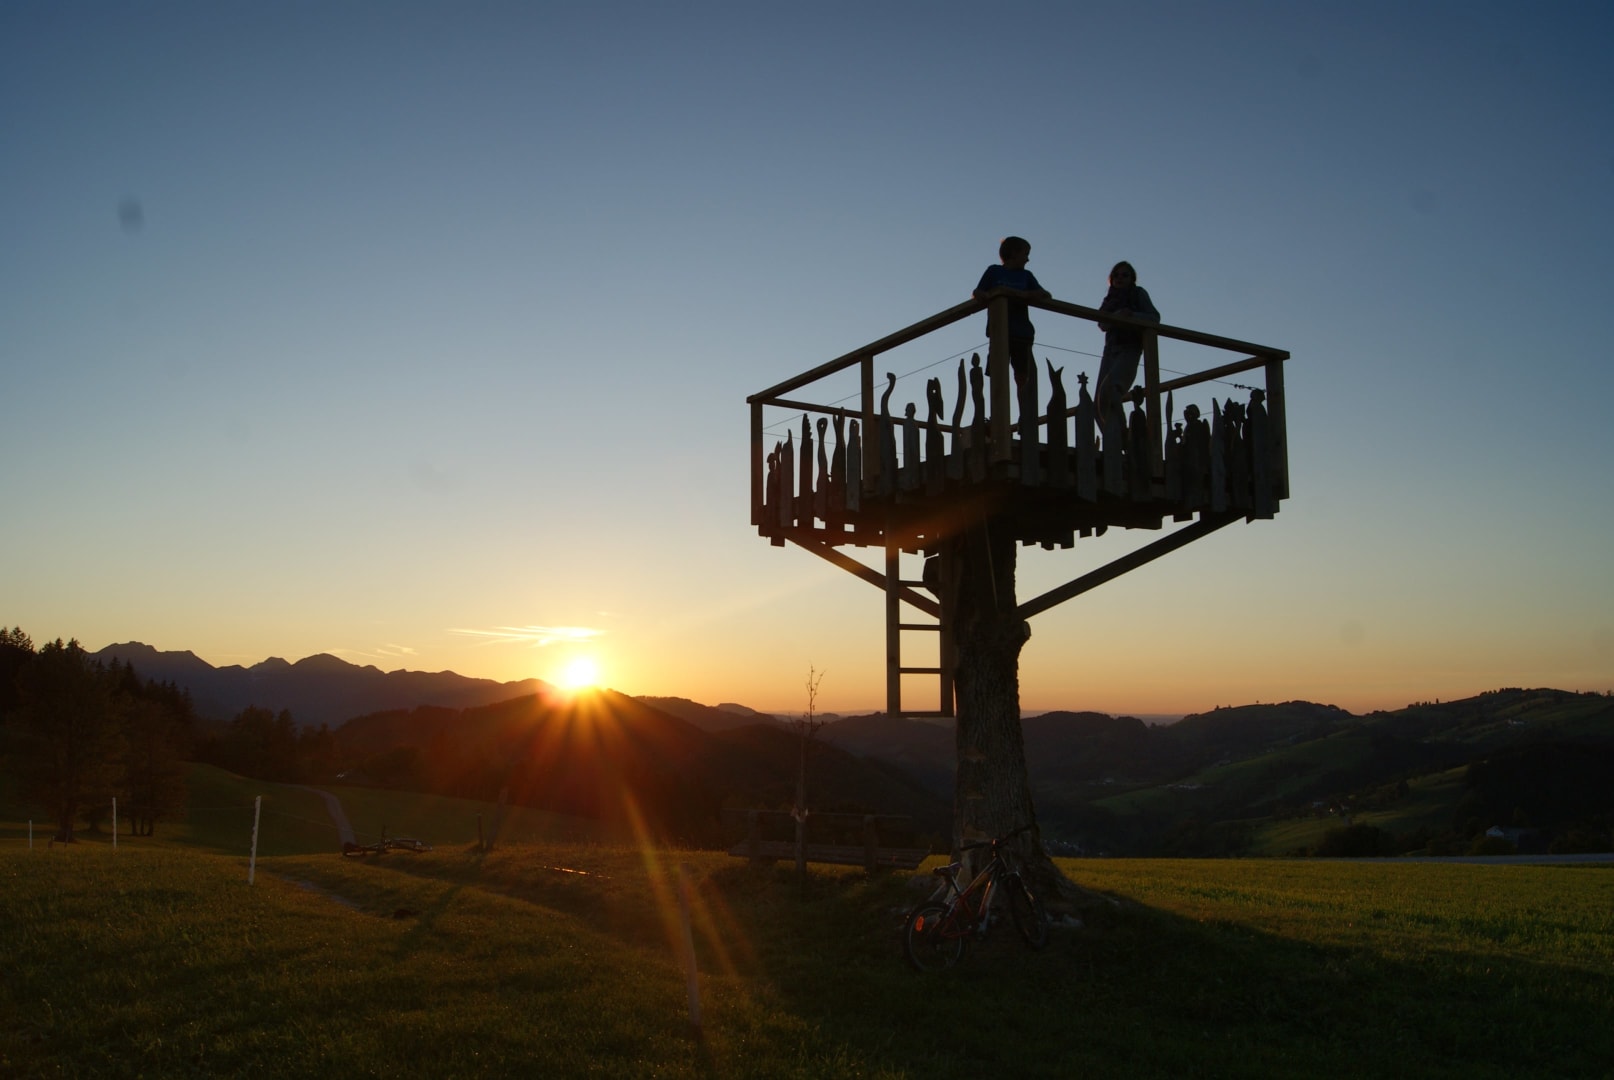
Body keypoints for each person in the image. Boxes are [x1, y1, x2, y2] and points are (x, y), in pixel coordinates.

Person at [973, 236, 1050, 388]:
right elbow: (978, 292)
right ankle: (998, 402)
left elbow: (1045, 295)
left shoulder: (1026, 276)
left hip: (1022, 332)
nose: (1027, 259)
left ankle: (1022, 404)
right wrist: (988, 296)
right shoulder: (994, 271)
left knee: (1022, 375)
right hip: (998, 330)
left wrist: (1020, 294)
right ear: (1014, 253)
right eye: (1025, 254)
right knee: (997, 371)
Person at [1094, 260, 1160, 416]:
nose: (1120, 278)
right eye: (1116, 275)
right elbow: (1102, 324)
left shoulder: (1138, 294)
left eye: (1125, 275)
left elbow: (1154, 317)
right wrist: (1117, 317)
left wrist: (1132, 315)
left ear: (1132, 278)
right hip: (1110, 349)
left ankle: (1121, 428)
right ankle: (1113, 430)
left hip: (1130, 347)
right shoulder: (1109, 300)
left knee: (1111, 390)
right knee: (1099, 402)